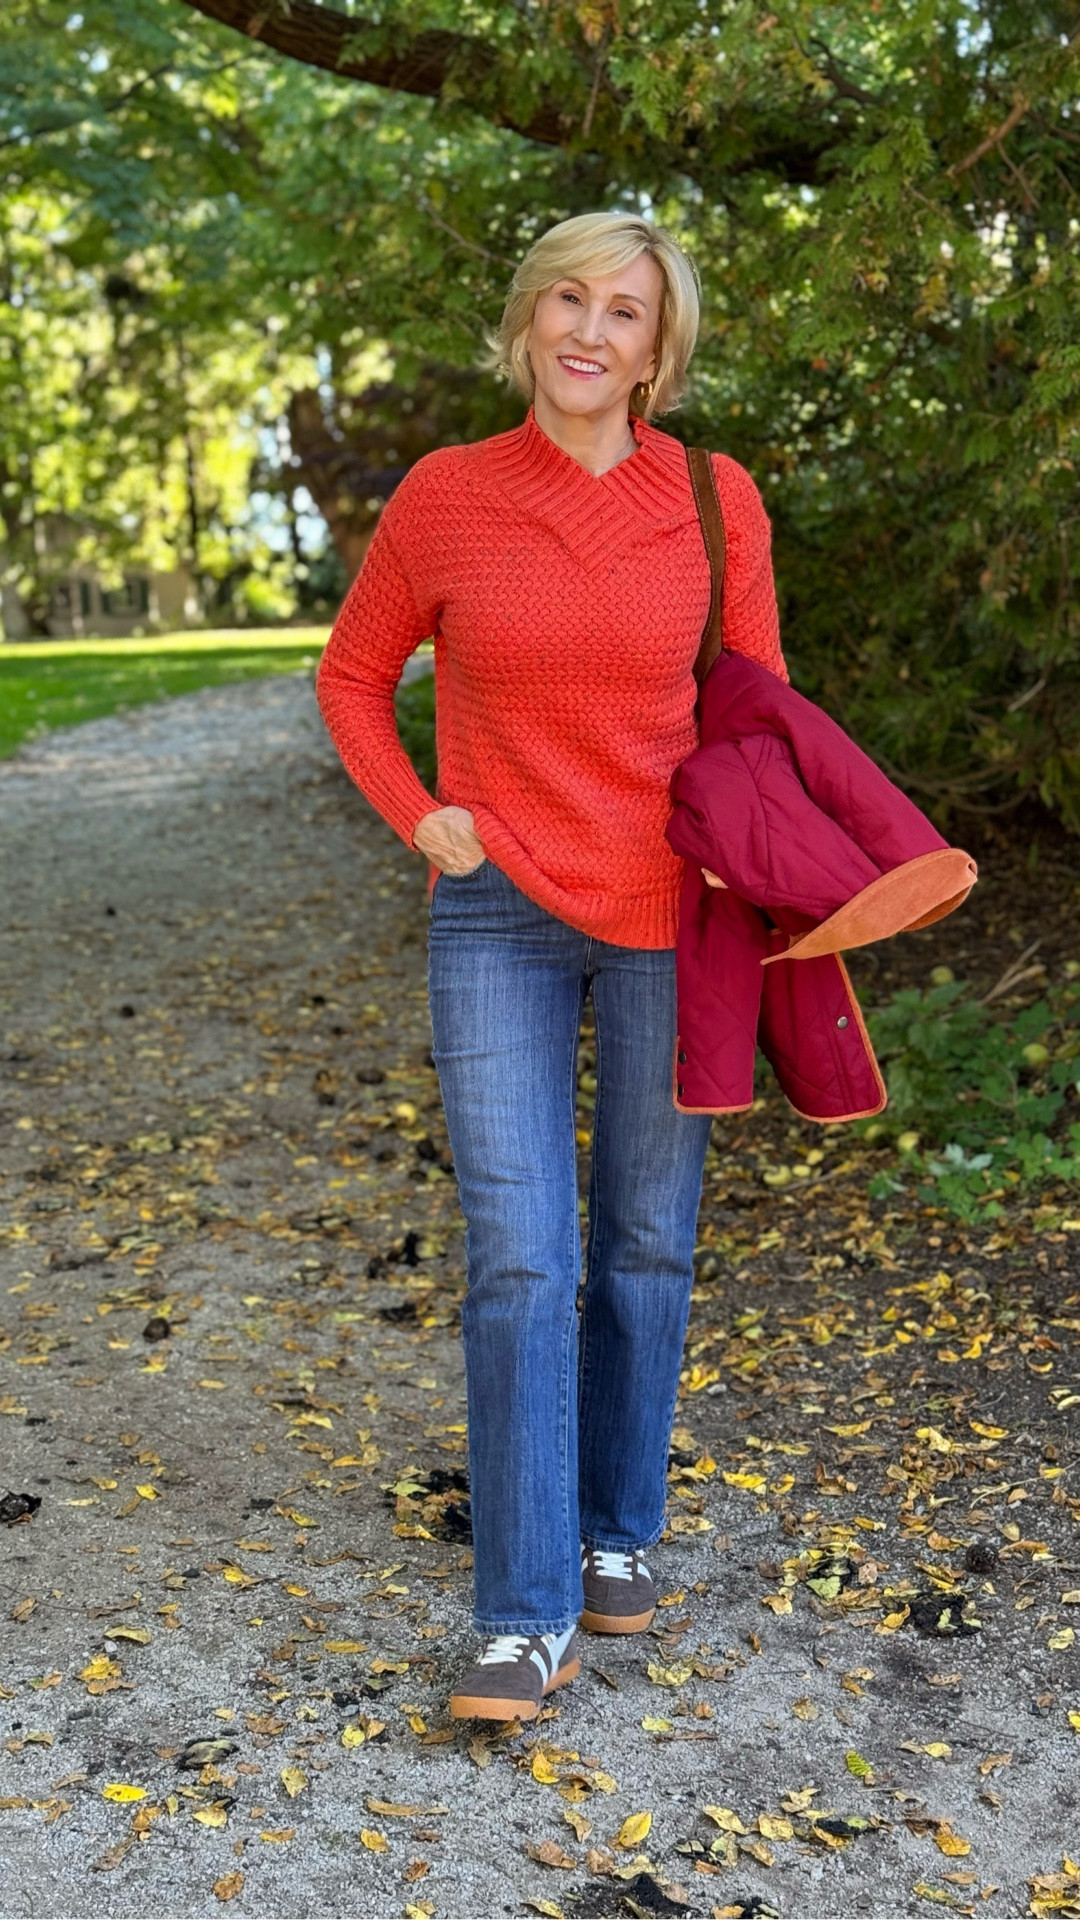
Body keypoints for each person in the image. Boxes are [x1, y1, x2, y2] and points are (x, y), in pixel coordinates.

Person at [315, 210, 787, 1722]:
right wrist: (420, 811)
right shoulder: (448, 496)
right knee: (521, 1254)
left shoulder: (714, 500)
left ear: (659, 350)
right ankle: (521, 1614)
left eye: (625, 311)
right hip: (498, 914)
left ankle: (616, 1530)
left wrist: (783, 874)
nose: (591, 330)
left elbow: (759, 712)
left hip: (674, 915)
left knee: (646, 1241)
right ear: (527, 323)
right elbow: (353, 674)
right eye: (568, 300)